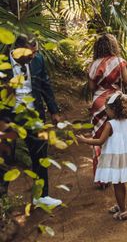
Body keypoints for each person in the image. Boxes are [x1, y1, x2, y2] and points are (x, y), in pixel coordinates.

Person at [3, 36, 61, 208]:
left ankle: (41, 196)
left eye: (36, 52)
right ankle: (2, 203)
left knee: (40, 154)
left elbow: (45, 85)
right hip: (7, 118)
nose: (34, 56)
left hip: (33, 115)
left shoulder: (38, 60)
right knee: (5, 159)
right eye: (31, 52)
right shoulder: (3, 64)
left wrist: (54, 110)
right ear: (19, 48)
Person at [78, 92, 127, 221]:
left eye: (107, 108)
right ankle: (120, 204)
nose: (106, 110)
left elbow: (100, 141)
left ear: (114, 110)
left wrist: (84, 140)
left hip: (114, 159)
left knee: (117, 183)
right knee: (121, 183)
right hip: (124, 157)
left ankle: (123, 211)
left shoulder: (110, 125)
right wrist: (124, 144)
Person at [88, 34, 127, 186]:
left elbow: (92, 87)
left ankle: (101, 178)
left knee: (99, 138)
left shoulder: (93, 64)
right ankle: (117, 172)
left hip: (98, 102)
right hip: (115, 101)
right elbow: (126, 81)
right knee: (116, 137)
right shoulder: (119, 61)